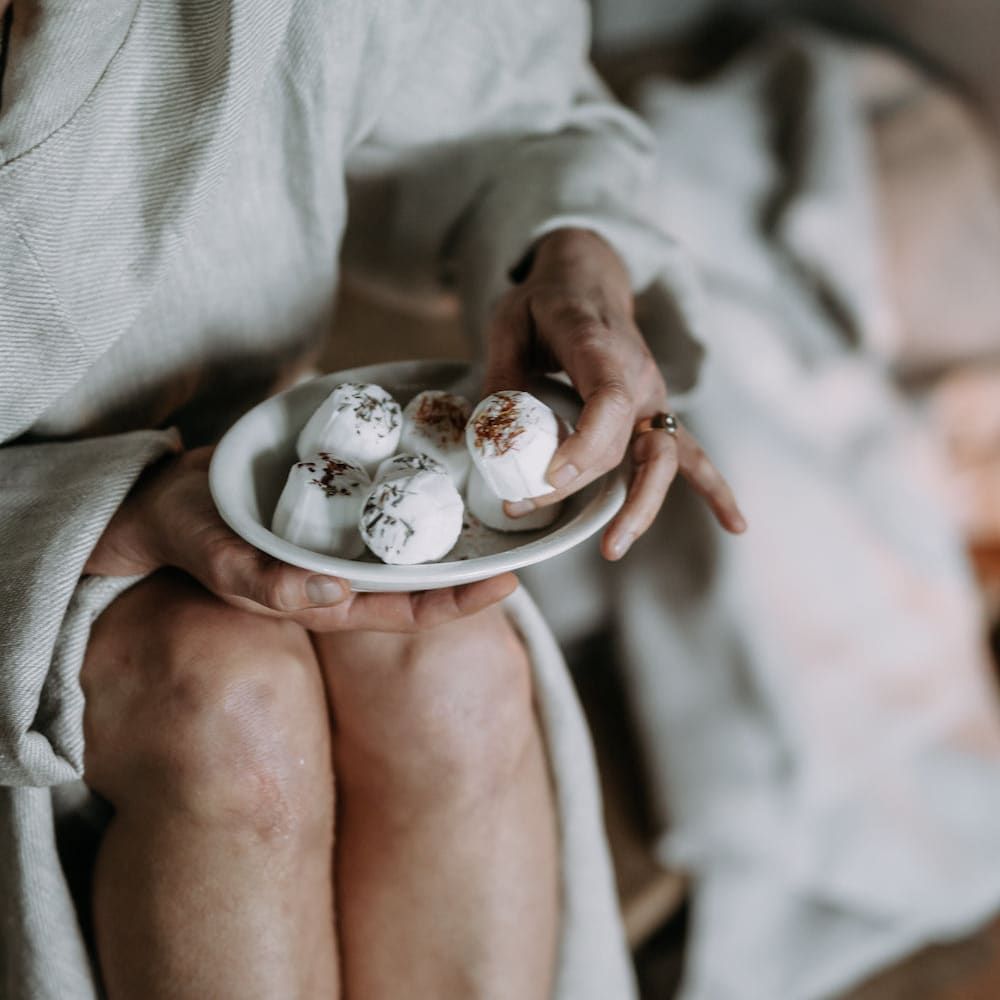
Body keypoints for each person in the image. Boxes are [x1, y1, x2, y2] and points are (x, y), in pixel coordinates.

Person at [0, 2, 743, 997]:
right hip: (29, 528)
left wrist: (572, 261)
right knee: (223, 705)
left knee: (456, 674)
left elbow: (502, 108)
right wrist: (101, 515)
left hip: (263, 479)